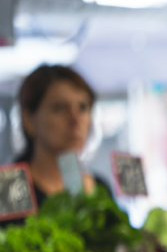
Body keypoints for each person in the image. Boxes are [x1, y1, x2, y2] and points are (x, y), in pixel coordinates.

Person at [4, 65, 106, 226]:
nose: (75, 120)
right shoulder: (9, 188)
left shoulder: (101, 190)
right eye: (59, 108)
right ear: (29, 120)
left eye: (83, 107)